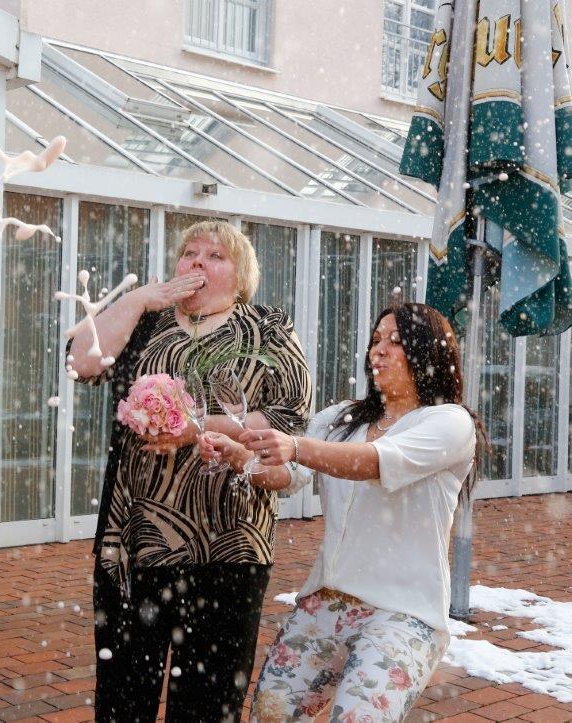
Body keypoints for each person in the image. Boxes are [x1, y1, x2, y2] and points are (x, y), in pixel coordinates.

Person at [68, 220, 311, 721]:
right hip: (135, 540)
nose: (197, 262)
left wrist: (195, 423)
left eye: (215, 256)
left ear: (241, 278)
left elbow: (287, 417)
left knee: (208, 700)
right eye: (189, 253)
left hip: (230, 540)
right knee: (123, 697)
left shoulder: (267, 328)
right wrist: (138, 300)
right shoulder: (149, 322)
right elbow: (83, 362)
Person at [203, 303, 481, 722]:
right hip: (325, 603)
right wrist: (241, 456)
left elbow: (372, 462)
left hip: (405, 614)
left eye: (396, 341)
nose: (379, 351)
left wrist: (296, 445)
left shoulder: (449, 423)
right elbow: (286, 475)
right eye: (375, 340)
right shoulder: (338, 419)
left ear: (428, 353)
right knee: (271, 715)